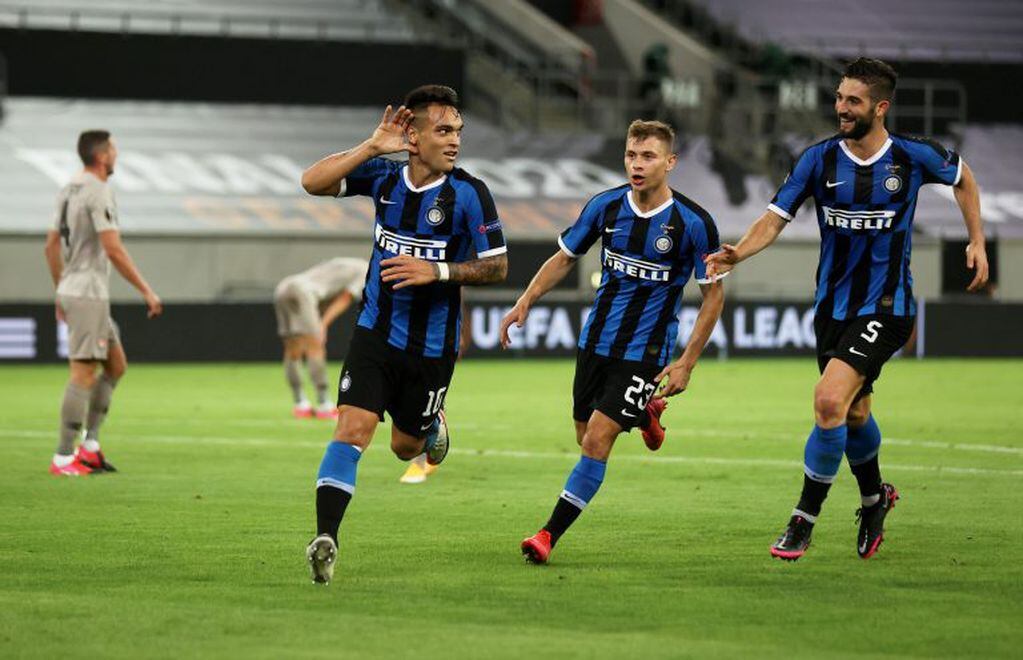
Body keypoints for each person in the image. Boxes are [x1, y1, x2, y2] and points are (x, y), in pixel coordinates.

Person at [704, 58, 988, 561]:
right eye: (838, 98)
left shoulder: (913, 157)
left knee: (829, 401)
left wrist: (977, 240)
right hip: (831, 310)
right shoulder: (817, 160)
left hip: (888, 307)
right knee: (855, 413)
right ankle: (876, 498)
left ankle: (802, 521)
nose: (841, 108)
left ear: (880, 108)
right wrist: (738, 253)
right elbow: (774, 217)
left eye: (852, 101)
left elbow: (964, 179)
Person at [299, 85, 508, 583]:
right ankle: (326, 537)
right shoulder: (385, 177)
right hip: (374, 332)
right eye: (443, 130)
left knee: (404, 448)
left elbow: (497, 267)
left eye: (458, 130)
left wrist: (434, 272)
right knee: (351, 430)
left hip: (432, 348)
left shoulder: (470, 194)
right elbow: (311, 182)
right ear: (413, 136)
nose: (454, 140)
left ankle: (433, 426)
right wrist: (371, 146)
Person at [500, 119, 726, 564]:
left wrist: (687, 362)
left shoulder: (695, 223)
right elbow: (565, 257)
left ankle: (547, 536)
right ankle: (645, 413)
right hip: (595, 343)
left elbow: (713, 295)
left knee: (597, 441)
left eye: (648, 157)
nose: (637, 165)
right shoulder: (605, 206)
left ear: (670, 162)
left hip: (646, 352)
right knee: (584, 433)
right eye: (631, 155)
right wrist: (525, 299)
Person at [42, 130, 163, 476]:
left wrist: (61, 289)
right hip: (88, 293)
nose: (117, 154)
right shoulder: (98, 191)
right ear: (102, 156)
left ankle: (90, 445)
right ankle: (64, 457)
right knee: (83, 373)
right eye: (114, 149)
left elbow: (50, 246)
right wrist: (147, 291)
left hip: (75, 289)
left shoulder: (68, 188)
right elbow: (113, 248)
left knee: (116, 365)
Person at [274, 257, 368, 419]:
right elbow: (345, 298)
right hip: (303, 292)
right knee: (315, 347)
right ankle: (324, 405)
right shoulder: (366, 271)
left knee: (292, 350)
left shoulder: (347, 262)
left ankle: (300, 404)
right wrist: (323, 325)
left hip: (284, 287)